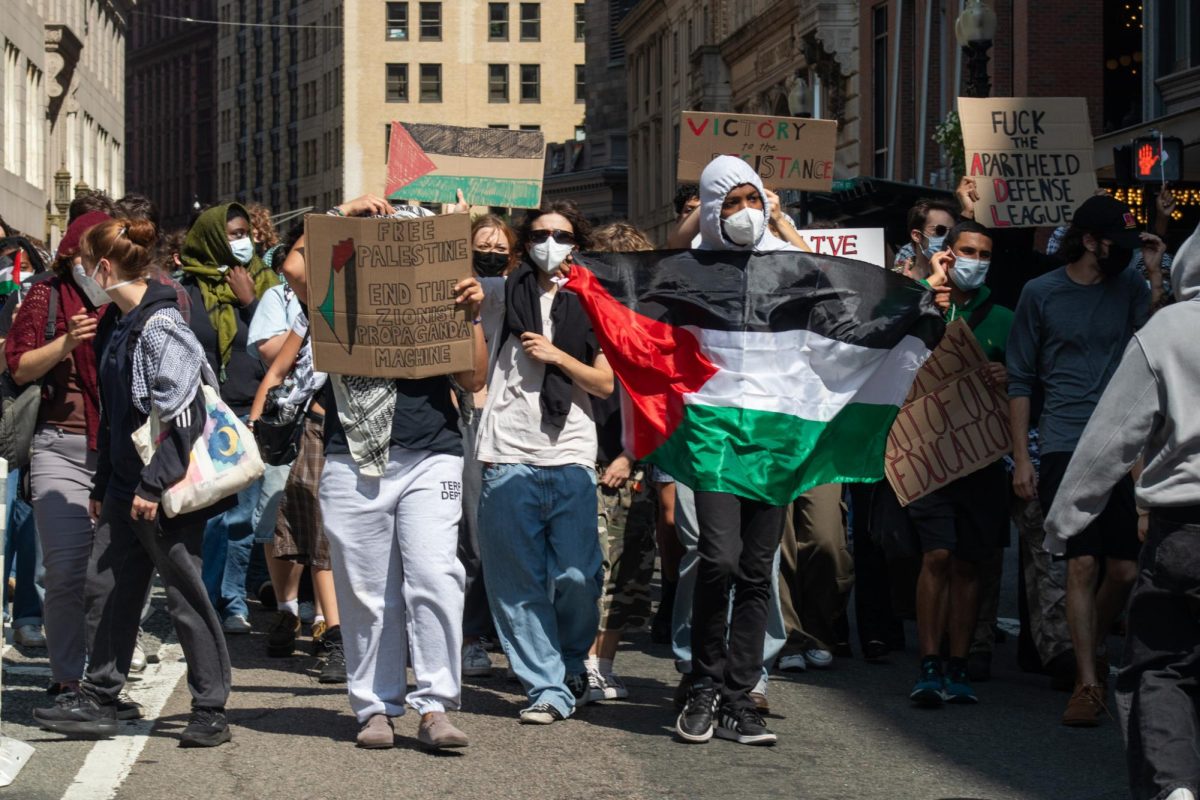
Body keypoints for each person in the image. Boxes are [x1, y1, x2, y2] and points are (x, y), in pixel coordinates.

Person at [33, 217, 233, 747]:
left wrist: (151, 486)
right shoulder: (118, 323)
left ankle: (210, 708)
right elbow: (118, 414)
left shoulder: (160, 324)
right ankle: (100, 697)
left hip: (161, 488)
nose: (79, 272)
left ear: (103, 267)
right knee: (108, 588)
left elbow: (184, 414)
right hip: (123, 484)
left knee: (186, 595)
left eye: (84, 263)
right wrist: (103, 486)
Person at [307, 198, 486, 750]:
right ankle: (375, 707)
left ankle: (435, 706)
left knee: (436, 576)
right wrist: (344, 215)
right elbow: (295, 267)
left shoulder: (453, 292)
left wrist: (469, 312)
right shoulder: (339, 284)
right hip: (354, 454)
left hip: (433, 453)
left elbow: (473, 376)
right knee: (365, 590)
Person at [1044, 220, 1200, 800]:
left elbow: (1109, 440)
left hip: (1185, 527)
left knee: (1161, 667)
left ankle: (1173, 785)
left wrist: (1063, 524)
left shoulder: (1169, 330)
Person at [1008, 194, 1165, 727]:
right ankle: (1088, 682)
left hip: (1122, 444)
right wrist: (1021, 458)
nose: (1121, 252)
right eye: (1113, 243)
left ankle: (1089, 647)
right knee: (1082, 562)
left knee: (1122, 569)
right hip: (1063, 444)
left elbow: (1158, 344)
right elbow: (1021, 380)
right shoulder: (1040, 293)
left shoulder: (1129, 287)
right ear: (1089, 240)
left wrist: (1153, 277)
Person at [475, 200, 614, 724]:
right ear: (523, 242)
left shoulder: (597, 300)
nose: (548, 242)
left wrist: (557, 356)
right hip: (508, 452)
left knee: (580, 576)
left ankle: (573, 660)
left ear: (577, 243)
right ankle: (547, 686)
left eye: (559, 234)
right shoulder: (503, 291)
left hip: (572, 451)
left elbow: (604, 383)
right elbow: (451, 288)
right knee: (517, 582)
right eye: (537, 234)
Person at [673, 155, 796, 746]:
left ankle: (738, 695)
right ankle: (702, 683)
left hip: (775, 434)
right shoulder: (691, 270)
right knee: (718, 559)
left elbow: (846, 301)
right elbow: (639, 296)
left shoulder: (785, 266)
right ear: (711, 209)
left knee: (755, 569)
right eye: (732, 201)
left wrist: (785, 227)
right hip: (715, 430)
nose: (746, 211)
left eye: (754, 199)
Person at [903, 221, 1012, 706]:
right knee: (936, 556)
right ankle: (929, 664)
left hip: (981, 459)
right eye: (967, 250)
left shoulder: (1006, 319)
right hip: (930, 456)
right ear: (948, 253)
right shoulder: (924, 306)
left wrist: (1008, 374)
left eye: (984, 254)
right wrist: (931, 286)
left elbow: (1031, 383)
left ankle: (959, 664)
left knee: (970, 564)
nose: (976, 260)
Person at [6, 211, 111, 693]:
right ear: (72, 252)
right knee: (64, 571)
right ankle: (69, 680)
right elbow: (20, 366)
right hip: (58, 446)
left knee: (106, 576)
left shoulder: (131, 296)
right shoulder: (46, 293)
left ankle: (107, 679)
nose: (100, 263)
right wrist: (66, 342)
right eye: (92, 251)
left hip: (119, 455)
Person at [247, 221, 344, 682]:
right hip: (315, 429)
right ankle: (323, 629)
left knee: (334, 535)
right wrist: (259, 418)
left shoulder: (365, 307)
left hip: (367, 434)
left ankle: (335, 628)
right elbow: (278, 370)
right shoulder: (310, 312)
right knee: (309, 531)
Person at [179, 203, 278, 633]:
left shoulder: (268, 286)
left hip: (249, 414)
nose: (242, 242)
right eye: (232, 234)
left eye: (245, 233)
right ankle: (202, 597)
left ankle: (234, 599)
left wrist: (251, 302)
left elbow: (281, 345)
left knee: (241, 516)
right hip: (204, 416)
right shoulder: (187, 292)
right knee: (209, 514)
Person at [583, 221, 659, 702]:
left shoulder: (645, 322)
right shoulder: (581, 310)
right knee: (592, 567)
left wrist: (631, 454)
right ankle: (585, 662)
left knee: (625, 567)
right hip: (579, 451)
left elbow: (656, 397)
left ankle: (601, 664)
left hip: (624, 454)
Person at [459, 214, 519, 679]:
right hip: (464, 413)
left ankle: (497, 625)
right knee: (471, 535)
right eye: (483, 246)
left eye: (501, 248)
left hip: (511, 421)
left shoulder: (517, 291)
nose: (492, 253)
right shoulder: (456, 292)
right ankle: (470, 634)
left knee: (506, 534)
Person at [893, 198, 959, 280]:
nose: (947, 237)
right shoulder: (897, 278)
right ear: (917, 236)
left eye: (952, 232)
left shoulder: (957, 278)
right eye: (940, 230)